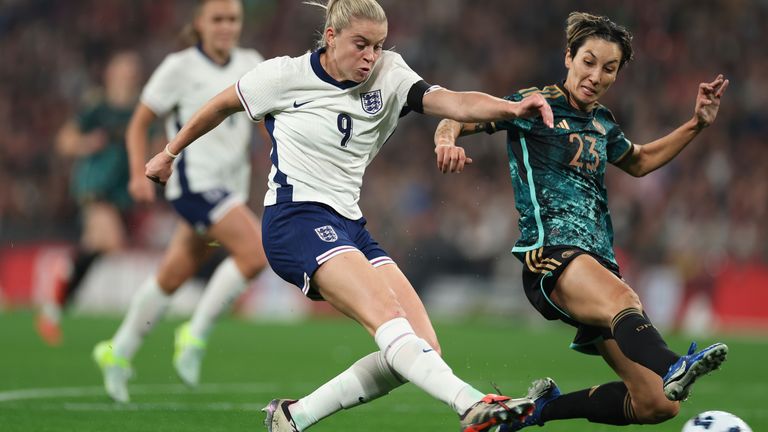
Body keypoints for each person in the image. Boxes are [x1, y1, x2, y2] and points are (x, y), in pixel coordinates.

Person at [143, 1, 556, 430]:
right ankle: (472, 403)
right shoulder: (285, 76)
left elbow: (451, 100)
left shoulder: (390, 74)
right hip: (295, 220)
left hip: (350, 226)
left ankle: (293, 416)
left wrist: (510, 110)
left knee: (422, 346)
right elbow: (220, 104)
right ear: (331, 37)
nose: (370, 57)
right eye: (361, 45)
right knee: (390, 322)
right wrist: (169, 153)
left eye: (377, 46)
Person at [433, 11, 729, 430]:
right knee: (625, 301)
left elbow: (640, 161)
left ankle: (539, 409)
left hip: (597, 263)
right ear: (568, 57)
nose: (596, 75)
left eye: (609, 68)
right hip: (551, 254)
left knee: (656, 405)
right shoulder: (534, 104)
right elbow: (457, 115)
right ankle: (676, 365)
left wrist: (696, 124)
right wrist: (445, 140)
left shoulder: (602, 121)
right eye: (588, 61)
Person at [92, 0, 268, 403]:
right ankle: (195, 335)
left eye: (233, 19)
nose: (226, 27)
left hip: (230, 187)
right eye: (218, 19)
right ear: (200, 24)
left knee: (173, 275)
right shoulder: (180, 67)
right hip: (192, 184)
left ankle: (117, 352)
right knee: (256, 253)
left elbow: (264, 121)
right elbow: (139, 122)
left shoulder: (251, 61)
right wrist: (139, 174)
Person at [37, 51, 143, 346]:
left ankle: (56, 303)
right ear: (111, 74)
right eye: (123, 69)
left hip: (119, 191)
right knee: (108, 242)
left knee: (97, 248)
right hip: (94, 185)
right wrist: (87, 143)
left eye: (132, 70)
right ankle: (59, 289)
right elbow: (64, 141)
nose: (128, 74)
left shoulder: (138, 111)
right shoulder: (97, 109)